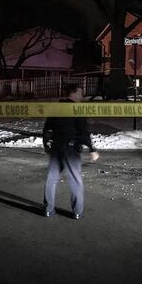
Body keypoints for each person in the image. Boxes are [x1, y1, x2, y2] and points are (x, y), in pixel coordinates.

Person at [42, 83, 100, 219]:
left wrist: (47, 144)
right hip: (71, 149)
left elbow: (47, 128)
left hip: (56, 147)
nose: (82, 95)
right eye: (80, 92)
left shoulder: (57, 108)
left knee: (51, 179)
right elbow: (84, 131)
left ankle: (48, 210)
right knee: (75, 180)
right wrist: (92, 149)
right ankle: (77, 212)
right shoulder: (77, 109)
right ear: (73, 93)